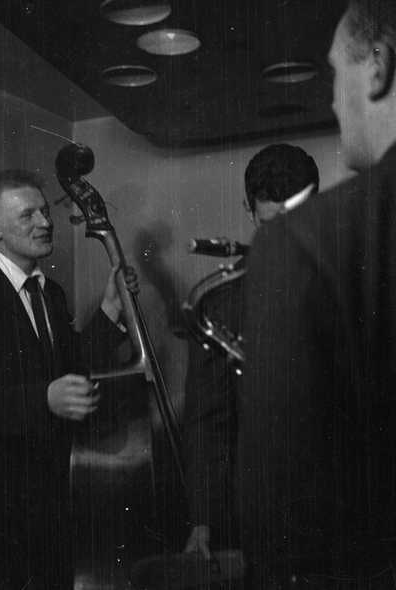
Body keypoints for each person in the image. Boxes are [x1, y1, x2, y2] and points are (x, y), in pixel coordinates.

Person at [239, 1, 396, 587]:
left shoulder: (301, 245)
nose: (333, 101)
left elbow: (281, 520)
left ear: (377, 67)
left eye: (336, 73)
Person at [0, 169, 138, 590]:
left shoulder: (52, 293)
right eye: (27, 215)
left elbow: (72, 368)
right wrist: (43, 399)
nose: (45, 223)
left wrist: (111, 308)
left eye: (44, 212)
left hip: (53, 500)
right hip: (0, 511)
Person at [183, 144, 319, 559]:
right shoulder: (220, 304)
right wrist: (203, 520)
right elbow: (209, 422)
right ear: (249, 210)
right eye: (269, 224)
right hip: (262, 512)